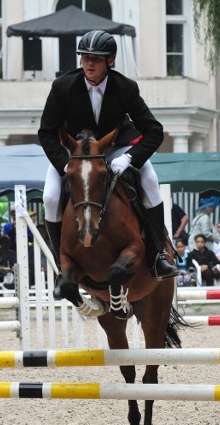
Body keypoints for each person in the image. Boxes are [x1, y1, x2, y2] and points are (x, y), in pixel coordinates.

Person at [38, 29, 176, 280]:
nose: (89, 63)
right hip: (75, 154)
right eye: (85, 57)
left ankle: (158, 256)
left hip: (115, 148)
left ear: (109, 61)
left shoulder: (125, 88)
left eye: (96, 59)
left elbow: (154, 131)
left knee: (150, 181)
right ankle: (61, 267)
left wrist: (130, 158)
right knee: (49, 196)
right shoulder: (62, 87)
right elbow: (46, 133)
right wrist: (64, 165)